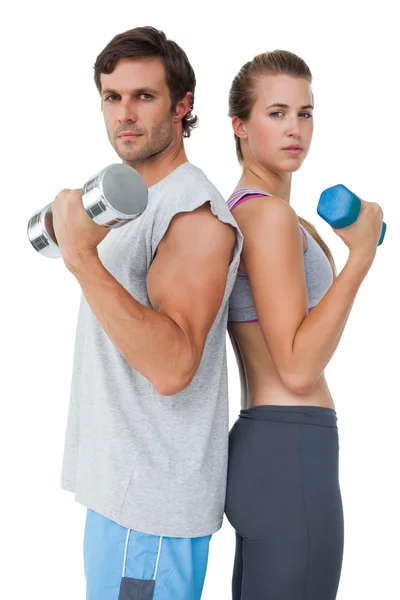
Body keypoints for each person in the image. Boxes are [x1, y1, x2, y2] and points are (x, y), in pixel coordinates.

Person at [51, 26, 243, 600]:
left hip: (152, 511)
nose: (124, 114)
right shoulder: (132, 201)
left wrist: (82, 256)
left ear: (184, 105)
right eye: (112, 97)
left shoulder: (193, 212)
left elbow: (174, 365)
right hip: (120, 495)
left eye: (144, 96)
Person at [224, 50, 384, 600]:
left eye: (305, 113)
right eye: (276, 113)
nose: (295, 129)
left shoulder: (255, 210)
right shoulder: (266, 216)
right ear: (239, 126)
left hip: (265, 449)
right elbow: (296, 367)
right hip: (291, 449)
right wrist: (361, 257)